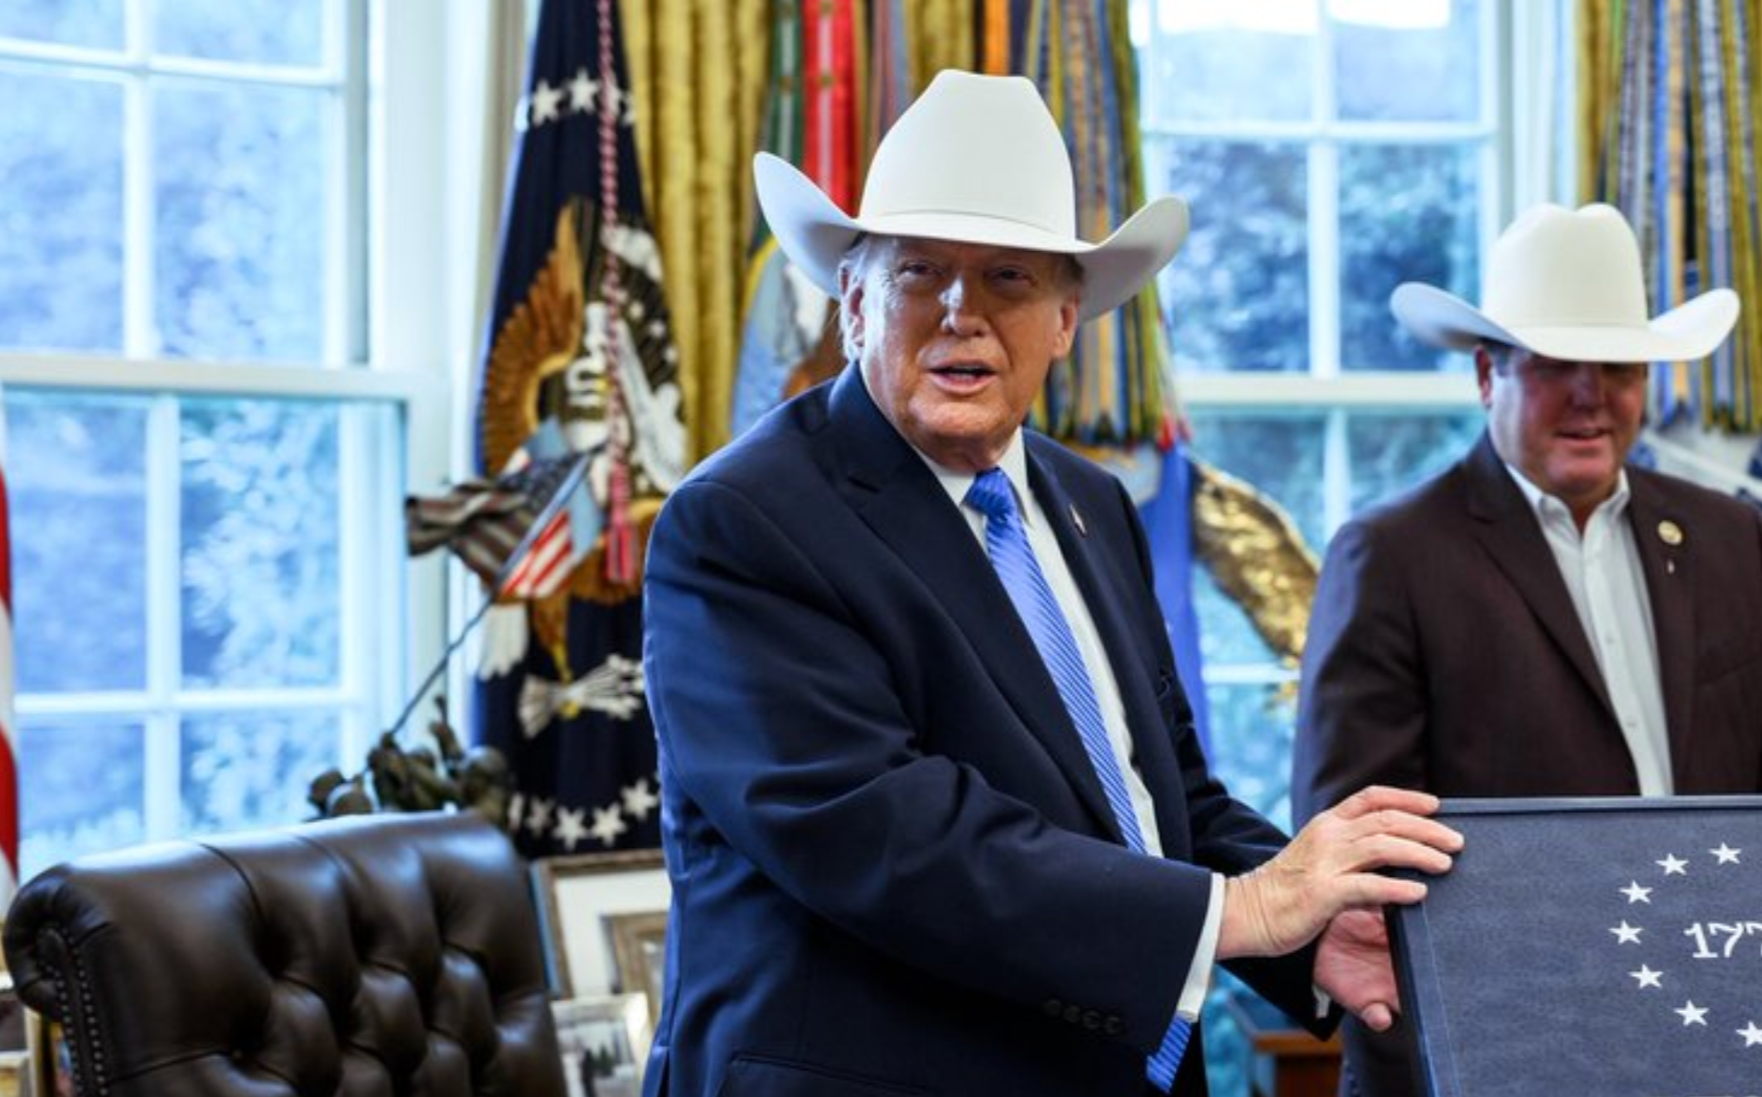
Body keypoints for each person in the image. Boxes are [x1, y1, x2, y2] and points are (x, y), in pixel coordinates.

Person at [640, 69, 1462, 1097]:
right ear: (852, 301)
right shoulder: (744, 522)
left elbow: (1165, 803)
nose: (959, 312)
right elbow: (885, 833)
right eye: (918, 272)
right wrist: (1241, 911)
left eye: (1008, 279)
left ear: (1068, 321)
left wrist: (1308, 933)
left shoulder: (1089, 502)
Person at [1292, 201, 1762, 1097]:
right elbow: (1354, 845)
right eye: (1554, 365)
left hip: (1711, 1036)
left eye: (1617, 365)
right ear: (1486, 375)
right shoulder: (1394, 555)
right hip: (1500, 1046)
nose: (1590, 394)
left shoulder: (1733, 536)